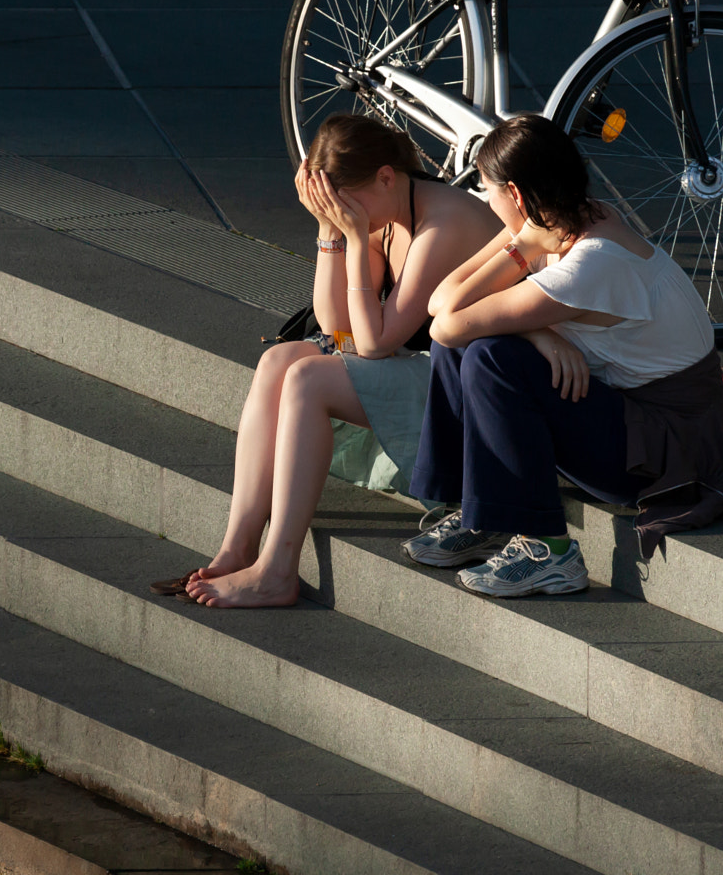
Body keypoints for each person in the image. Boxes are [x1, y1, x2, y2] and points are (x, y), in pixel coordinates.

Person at [405, 113, 723, 597]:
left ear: (518, 197)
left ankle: (550, 551)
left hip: (666, 450)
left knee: (490, 357)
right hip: (629, 417)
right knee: (474, 346)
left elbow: (445, 321)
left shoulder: (591, 263)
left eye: (489, 191)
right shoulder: (579, 215)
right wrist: (542, 332)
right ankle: (482, 511)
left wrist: (522, 260)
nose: (487, 201)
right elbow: (442, 305)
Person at [161, 114, 496, 608]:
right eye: (331, 208)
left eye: (345, 204)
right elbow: (339, 328)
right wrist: (329, 231)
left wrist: (356, 238)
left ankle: (277, 569)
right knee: (279, 361)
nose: (343, 214)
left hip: (474, 389)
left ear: (386, 176)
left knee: (308, 380)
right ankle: (238, 546)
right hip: (426, 369)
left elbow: (376, 343)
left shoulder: (442, 220)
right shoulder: (385, 209)